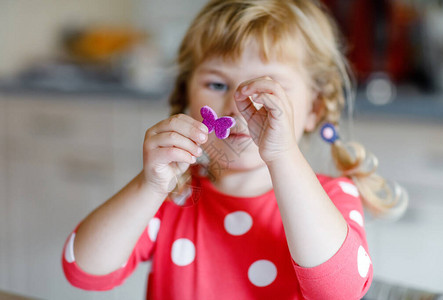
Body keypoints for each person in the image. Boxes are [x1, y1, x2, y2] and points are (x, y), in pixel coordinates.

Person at [62, 0, 407, 299]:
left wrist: (283, 155)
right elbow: (85, 272)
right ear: (186, 98)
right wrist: (148, 186)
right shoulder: (174, 198)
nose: (236, 106)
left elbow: (341, 292)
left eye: (267, 89)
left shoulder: (332, 197)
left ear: (314, 109)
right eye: (216, 84)